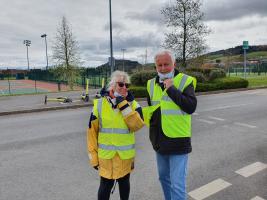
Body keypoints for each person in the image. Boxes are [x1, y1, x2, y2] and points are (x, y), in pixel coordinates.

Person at [146, 50, 197, 200]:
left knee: (177, 184)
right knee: (163, 178)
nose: (162, 68)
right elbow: (153, 110)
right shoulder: (150, 84)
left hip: (178, 140)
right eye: (159, 65)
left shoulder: (185, 81)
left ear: (174, 64)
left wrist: (171, 89)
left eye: (166, 64)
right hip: (159, 141)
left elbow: (190, 107)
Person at [87, 70, 145, 200]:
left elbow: (137, 125)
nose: (125, 88)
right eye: (121, 84)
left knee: (124, 185)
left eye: (127, 85)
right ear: (112, 85)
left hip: (125, 157)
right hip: (106, 157)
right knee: (105, 187)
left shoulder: (134, 105)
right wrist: (93, 157)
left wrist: (122, 104)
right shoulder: (100, 104)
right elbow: (91, 133)